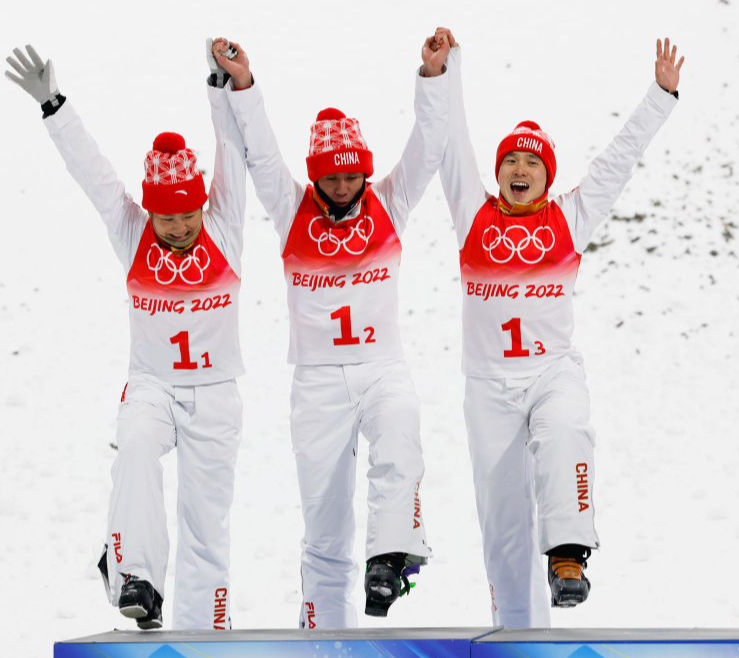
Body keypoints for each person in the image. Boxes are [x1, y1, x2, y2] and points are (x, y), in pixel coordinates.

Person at [437, 37, 685, 627]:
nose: (519, 170)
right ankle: (517, 634)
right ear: (497, 173)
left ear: (547, 175)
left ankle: (569, 555)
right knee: (502, 529)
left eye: (532, 163)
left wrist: (661, 95)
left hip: (550, 371)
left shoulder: (569, 217)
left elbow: (620, 158)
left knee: (567, 428)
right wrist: (446, 72)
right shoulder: (474, 213)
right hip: (488, 385)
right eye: (510, 162)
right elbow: (450, 143)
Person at [3, 39, 250, 630]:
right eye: (168, 217)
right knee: (136, 449)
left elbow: (232, 154)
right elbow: (94, 174)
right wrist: (54, 105)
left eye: (187, 214)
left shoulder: (224, 226)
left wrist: (221, 90)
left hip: (217, 392)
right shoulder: (133, 233)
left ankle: (207, 630)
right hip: (153, 386)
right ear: (151, 212)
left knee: (205, 522)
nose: (180, 226)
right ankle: (136, 576)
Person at [209, 29, 453, 628]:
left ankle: (390, 558)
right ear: (317, 176)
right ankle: (320, 633)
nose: (343, 188)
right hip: (317, 382)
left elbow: (427, 148)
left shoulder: (388, 205)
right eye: (332, 178)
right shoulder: (294, 213)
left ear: (364, 174)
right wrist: (243, 85)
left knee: (400, 434)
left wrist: (433, 77)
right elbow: (263, 155)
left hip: (380, 368)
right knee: (323, 521)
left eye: (351, 177)